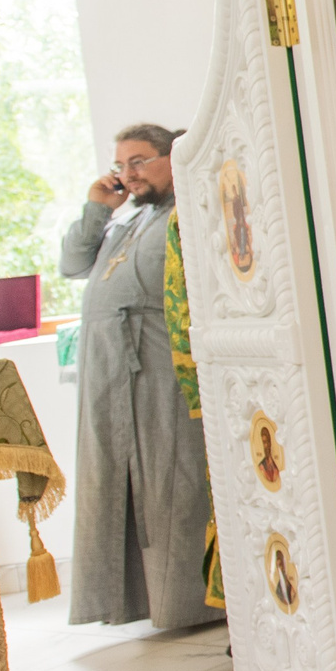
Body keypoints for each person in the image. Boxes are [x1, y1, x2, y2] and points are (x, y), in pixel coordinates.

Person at [60, 126, 220, 630]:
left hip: (156, 367)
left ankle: (186, 605)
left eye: (139, 162)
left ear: (173, 158)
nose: (127, 175)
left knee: (171, 480)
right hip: (108, 371)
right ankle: (130, 602)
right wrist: (97, 207)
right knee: (111, 484)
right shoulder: (128, 218)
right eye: (120, 165)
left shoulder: (188, 212)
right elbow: (71, 264)